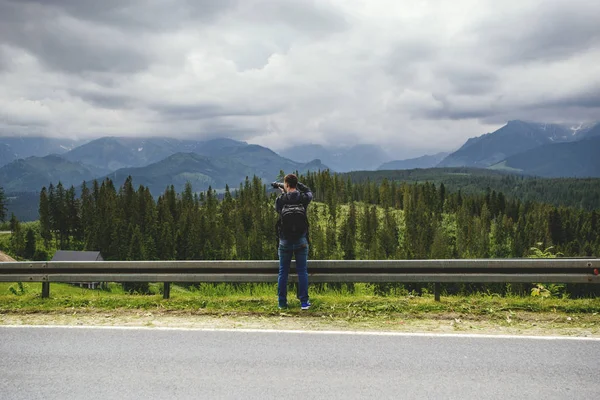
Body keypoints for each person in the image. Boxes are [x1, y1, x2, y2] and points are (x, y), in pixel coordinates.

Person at [275, 173, 313, 309]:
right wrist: (299, 185)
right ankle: (304, 302)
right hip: (301, 240)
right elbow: (309, 192)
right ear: (296, 184)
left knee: (283, 272)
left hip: (285, 241)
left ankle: (282, 303)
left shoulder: (281, 199)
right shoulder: (303, 198)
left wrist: (284, 192)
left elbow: (278, 211)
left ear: (286, 184)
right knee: (302, 271)